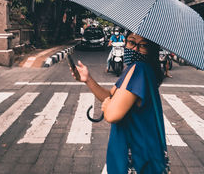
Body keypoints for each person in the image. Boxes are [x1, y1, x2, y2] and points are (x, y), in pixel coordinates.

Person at [70, 33, 167, 173]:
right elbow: (110, 95)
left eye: (144, 45)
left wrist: (108, 106)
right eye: (131, 42)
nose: (136, 49)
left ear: (152, 49)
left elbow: (112, 115)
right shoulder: (132, 69)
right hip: (136, 153)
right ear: (125, 43)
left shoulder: (139, 69)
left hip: (135, 158)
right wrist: (88, 79)